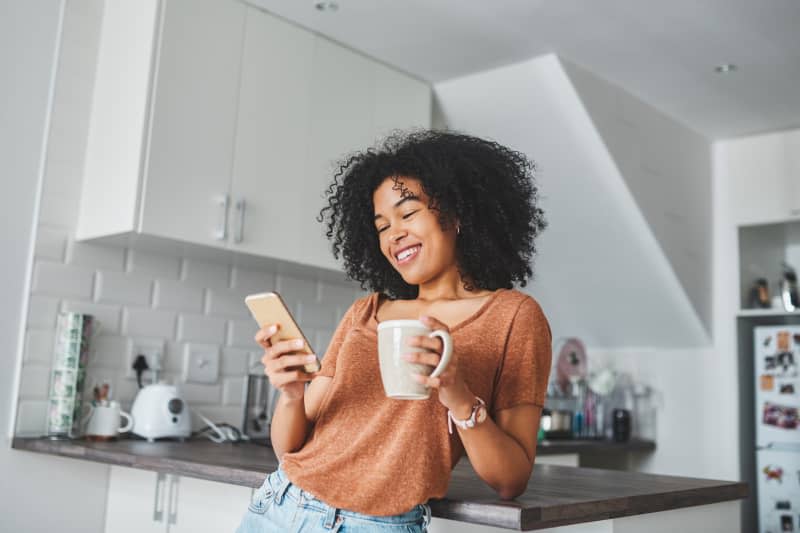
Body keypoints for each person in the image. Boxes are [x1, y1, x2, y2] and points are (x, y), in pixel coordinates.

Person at [237, 130, 552, 533]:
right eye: (382, 225)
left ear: (456, 214)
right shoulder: (364, 312)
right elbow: (290, 449)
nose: (393, 235)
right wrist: (291, 394)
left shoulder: (513, 317)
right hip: (280, 506)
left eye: (407, 214)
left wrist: (457, 395)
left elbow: (511, 479)